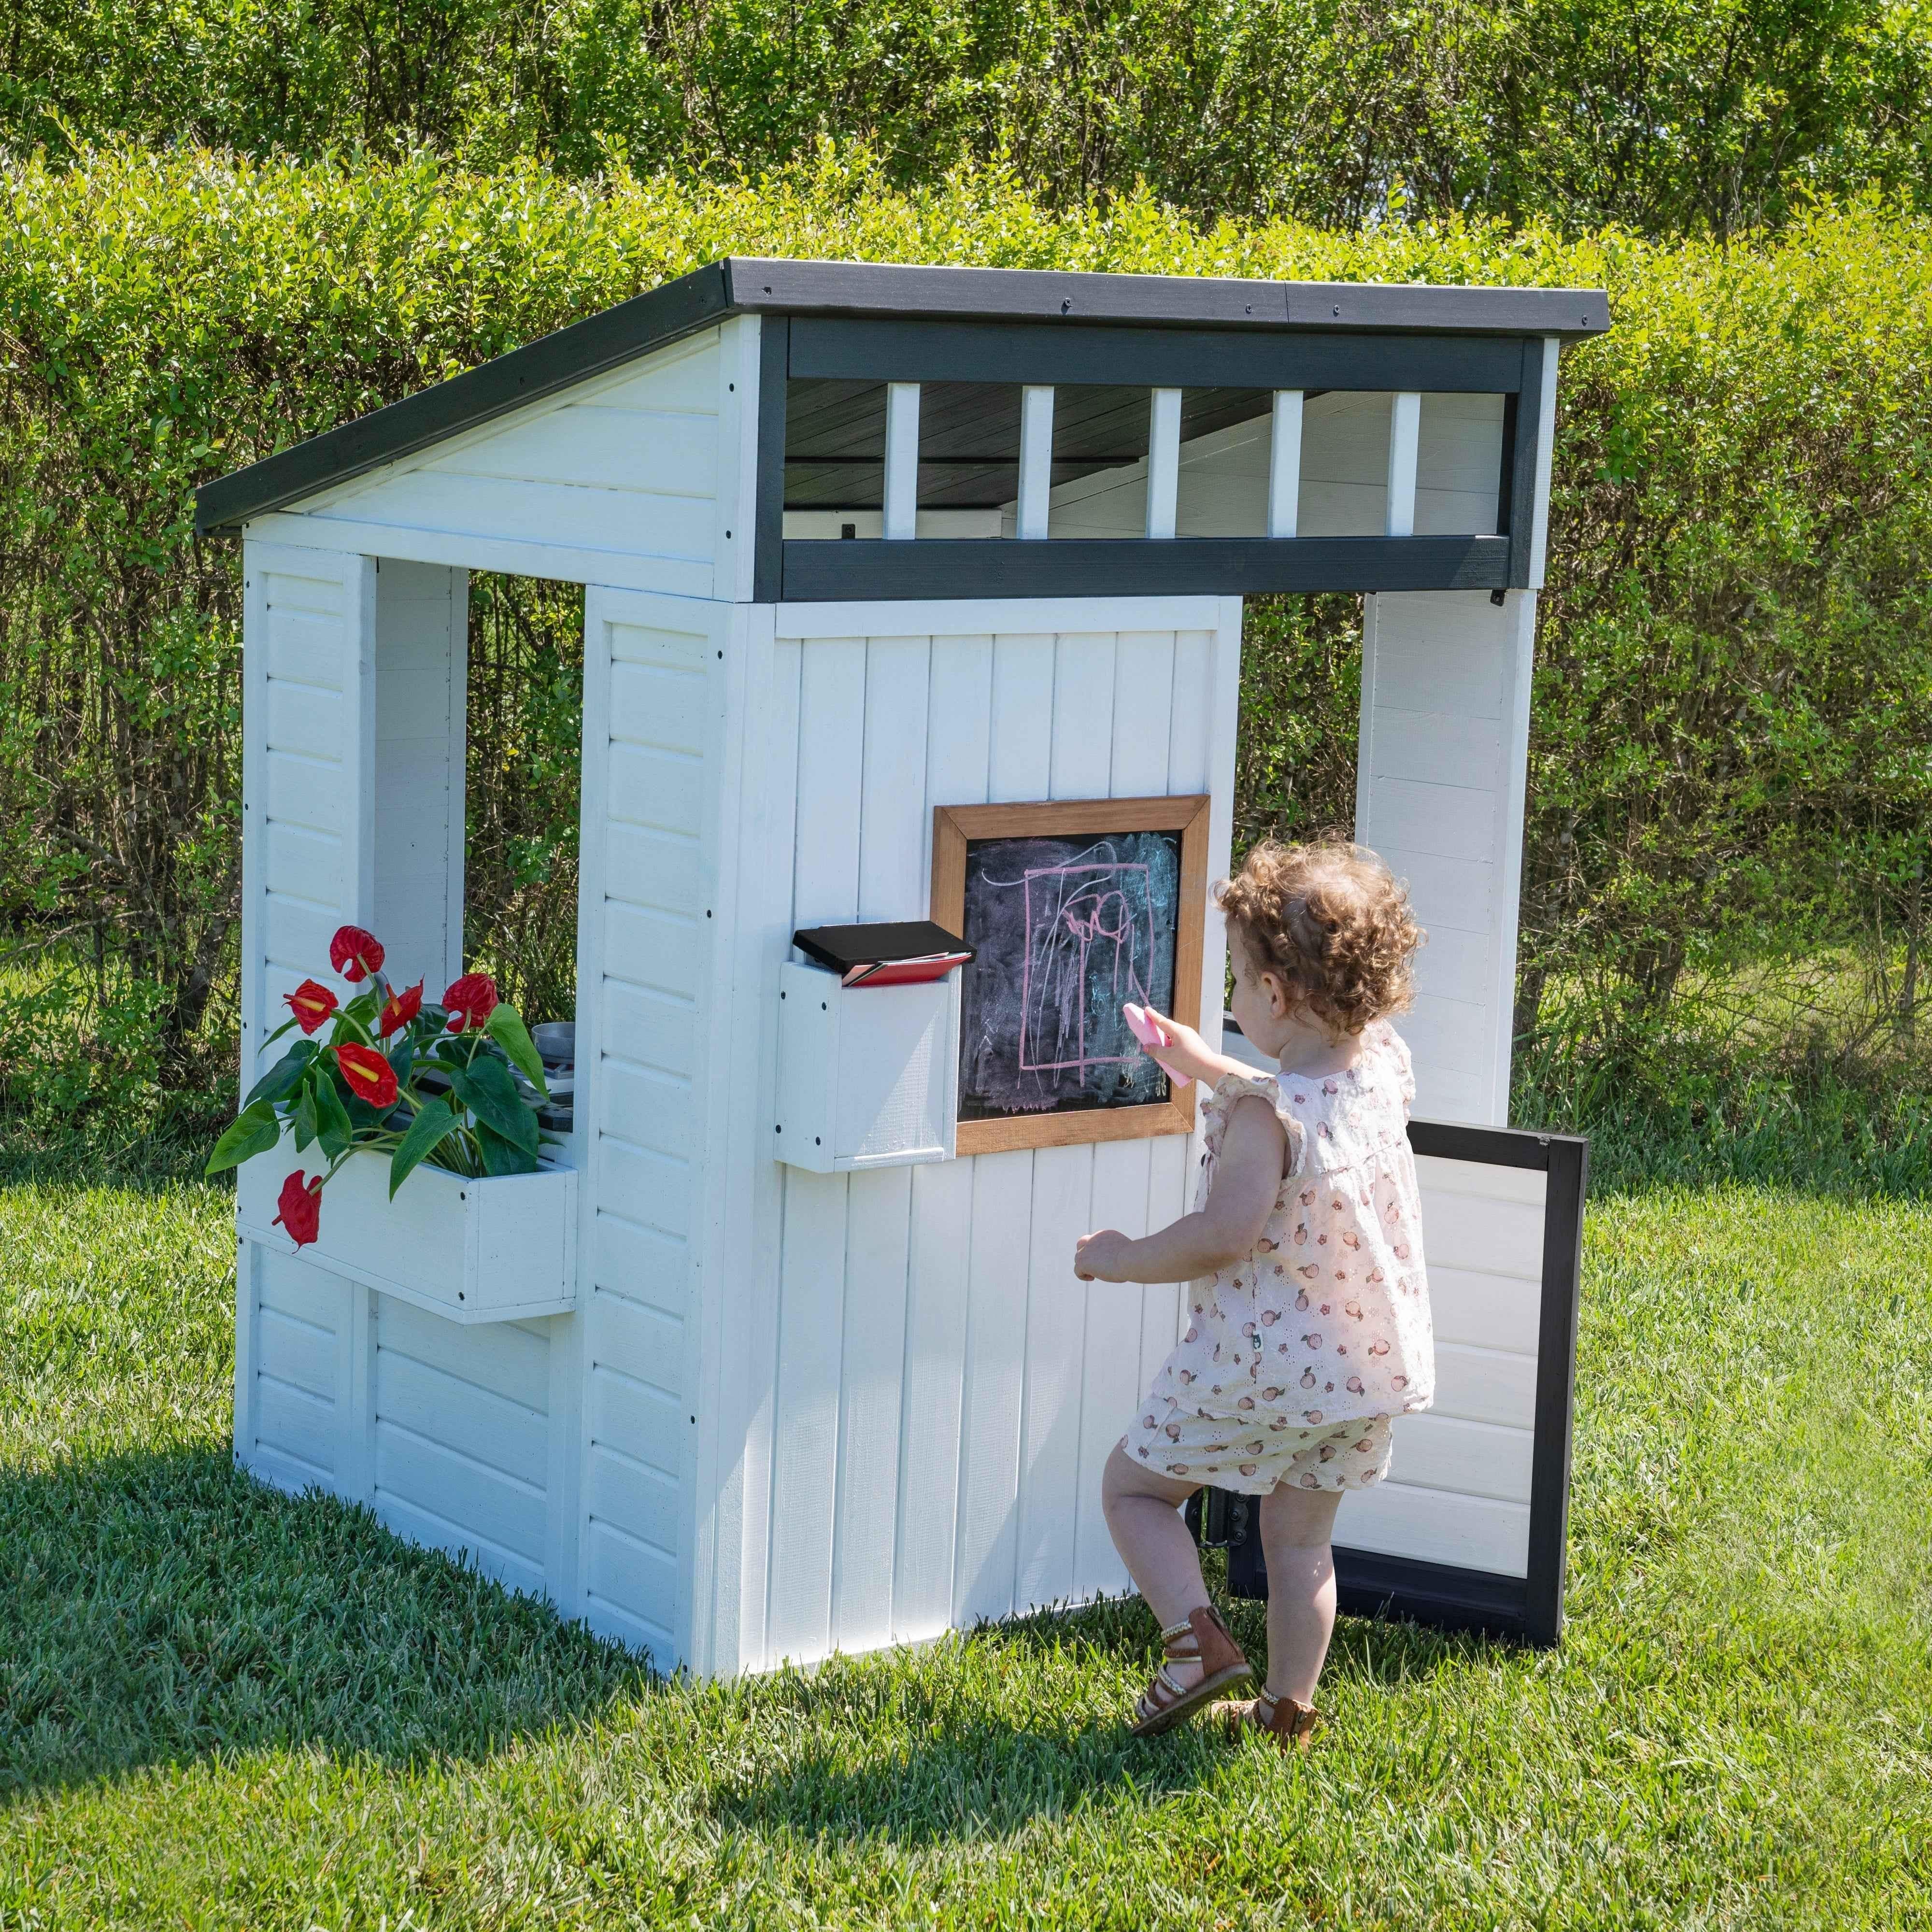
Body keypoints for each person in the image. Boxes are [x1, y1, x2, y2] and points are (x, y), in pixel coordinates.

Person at [1074, 837, 1432, 1749]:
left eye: (1237, 981)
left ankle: (1194, 1645)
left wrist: (1120, 1257)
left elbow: (1224, 1234)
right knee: (1301, 1541)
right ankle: (1286, 1714)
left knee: (1137, 1492)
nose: (1233, 1000)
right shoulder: (1382, 1068)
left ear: (1275, 996)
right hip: (1361, 1371)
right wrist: (1203, 1062)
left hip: (1261, 1364)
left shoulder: (1262, 1122)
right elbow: (1303, 1088)